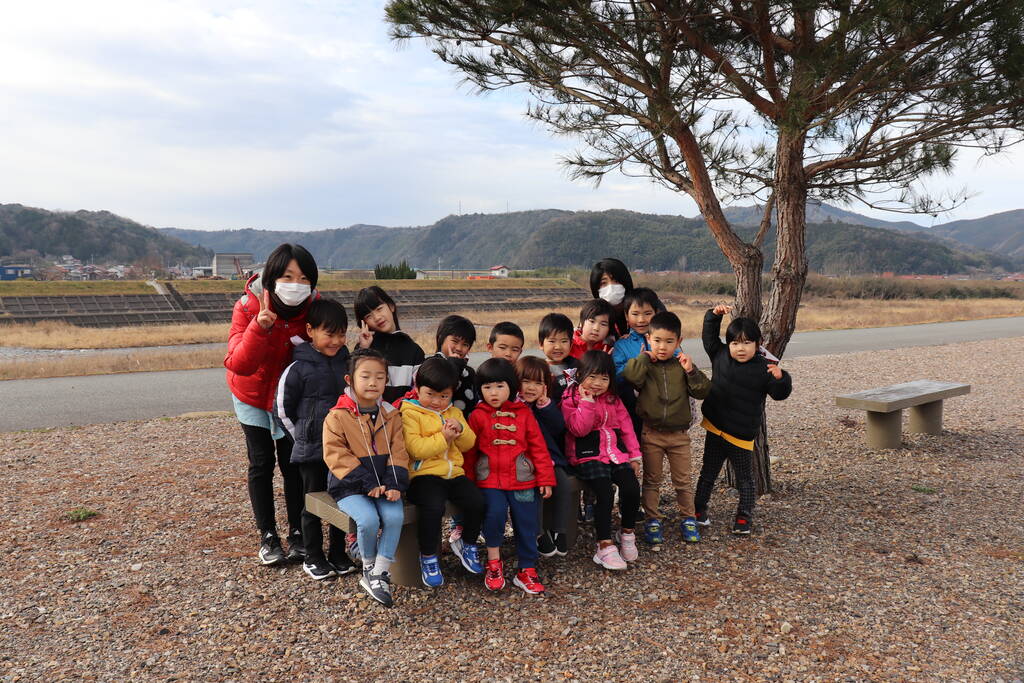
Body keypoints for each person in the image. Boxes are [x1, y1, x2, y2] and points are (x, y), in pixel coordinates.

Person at [225, 243, 318, 566]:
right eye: (288, 276)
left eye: (304, 278)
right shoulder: (248, 306)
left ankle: (297, 534)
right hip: (251, 394)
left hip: (289, 399)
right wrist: (260, 326)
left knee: (293, 463)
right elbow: (238, 363)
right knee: (261, 462)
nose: (296, 284)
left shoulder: (314, 308)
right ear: (273, 278)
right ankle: (268, 536)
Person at [274, 299, 357, 580]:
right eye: (329, 333)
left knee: (341, 501)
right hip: (311, 450)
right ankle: (312, 555)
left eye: (341, 334)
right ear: (310, 330)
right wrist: (301, 437)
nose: (336, 340)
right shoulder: (298, 367)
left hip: (343, 450)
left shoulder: (348, 363)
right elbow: (282, 409)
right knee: (312, 503)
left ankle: (337, 553)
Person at [695, 305, 792, 536]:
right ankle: (698, 510)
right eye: (735, 343)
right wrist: (713, 316)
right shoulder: (719, 355)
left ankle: (744, 516)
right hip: (716, 428)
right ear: (728, 344)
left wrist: (782, 378)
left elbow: (779, 395)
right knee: (707, 472)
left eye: (747, 343)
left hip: (740, 434)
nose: (740, 348)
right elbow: (709, 337)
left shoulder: (764, 368)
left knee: (745, 479)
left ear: (758, 344)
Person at [323, 349, 409, 607]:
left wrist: (395, 484)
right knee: (368, 519)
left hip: (384, 484)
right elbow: (336, 455)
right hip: (349, 486)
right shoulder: (337, 416)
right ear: (350, 380)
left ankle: (380, 572)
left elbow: (398, 452)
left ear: (386, 381)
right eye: (366, 376)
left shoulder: (391, 415)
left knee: (395, 516)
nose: (373, 383)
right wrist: (367, 483)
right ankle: (368, 568)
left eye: (380, 377)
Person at [465, 359, 555, 595]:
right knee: (493, 517)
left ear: (512, 387)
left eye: (499, 386)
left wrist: (545, 478)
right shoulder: (477, 416)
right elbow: (470, 453)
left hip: (523, 479)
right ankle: (494, 562)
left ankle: (527, 568)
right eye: (486, 387)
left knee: (527, 522)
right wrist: (469, 482)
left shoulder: (524, 413)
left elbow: (538, 447)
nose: (493, 393)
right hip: (490, 480)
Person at [621, 311, 711, 546]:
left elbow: (703, 391)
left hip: (679, 436)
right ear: (649, 339)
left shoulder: (681, 366)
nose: (662, 346)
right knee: (652, 480)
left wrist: (691, 370)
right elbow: (630, 377)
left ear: (679, 342)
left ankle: (688, 518)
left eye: (669, 341)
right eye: (657, 340)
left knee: (683, 480)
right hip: (651, 434)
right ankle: (653, 519)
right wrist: (642, 358)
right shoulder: (645, 366)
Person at [400, 357, 486, 587]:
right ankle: (428, 556)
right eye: (430, 394)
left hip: (453, 474)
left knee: (477, 501)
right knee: (433, 507)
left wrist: (460, 430)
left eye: (444, 396)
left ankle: (466, 543)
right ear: (417, 389)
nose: (437, 402)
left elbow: (469, 443)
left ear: (452, 393)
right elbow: (415, 450)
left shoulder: (453, 413)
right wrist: (444, 438)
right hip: (423, 476)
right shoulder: (410, 413)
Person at [561, 351, 642, 570]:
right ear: (580, 374)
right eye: (593, 377)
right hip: (586, 455)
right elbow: (578, 429)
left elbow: (626, 426)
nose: (598, 383)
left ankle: (626, 532)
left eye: (604, 378)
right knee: (604, 492)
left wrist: (634, 455)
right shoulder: (571, 397)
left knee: (632, 488)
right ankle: (604, 545)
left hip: (614, 453)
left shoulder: (613, 399)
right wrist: (587, 403)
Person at [516, 356, 572, 558]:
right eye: (526, 381)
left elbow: (558, 428)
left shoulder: (542, 406)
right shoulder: (514, 407)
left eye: (538, 383)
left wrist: (545, 405)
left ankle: (559, 530)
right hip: (525, 462)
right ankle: (537, 533)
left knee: (563, 483)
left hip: (549, 459)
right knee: (534, 488)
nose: (531, 388)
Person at [353, 286, 425, 403]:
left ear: (391, 306)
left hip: (404, 417)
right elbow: (352, 381)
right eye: (368, 316)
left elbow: (420, 391)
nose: (377, 317)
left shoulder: (414, 350)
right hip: (370, 417)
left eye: (379, 309)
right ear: (364, 323)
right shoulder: (364, 348)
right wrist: (364, 348)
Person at [590, 258, 664, 340]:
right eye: (603, 283)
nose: (611, 287)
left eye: (616, 281)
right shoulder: (595, 313)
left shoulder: (646, 301)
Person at [430, 314, 479, 416]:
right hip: (441, 426)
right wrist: (454, 364)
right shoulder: (430, 364)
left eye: (465, 345)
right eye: (455, 341)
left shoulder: (469, 371)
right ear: (440, 338)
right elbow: (441, 386)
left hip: (466, 426)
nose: (459, 348)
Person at [537, 312, 577, 403]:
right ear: (541, 344)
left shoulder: (577, 367)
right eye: (552, 341)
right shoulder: (537, 369)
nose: (558, 346)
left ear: (571, 344)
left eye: (564, 341)